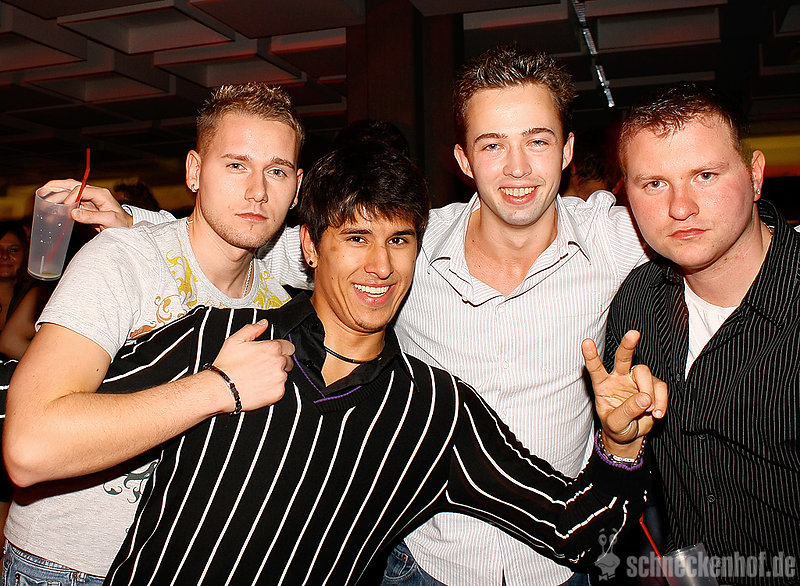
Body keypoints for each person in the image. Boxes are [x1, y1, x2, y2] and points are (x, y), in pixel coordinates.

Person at [91, 45, 651, 585]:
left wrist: (620, 444)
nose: (380, 265)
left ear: (567, 149)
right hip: (424, 567)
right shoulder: (224, 337)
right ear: (463, 160)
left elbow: (688, 219)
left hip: (546, 571)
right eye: (493, 144)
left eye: (537, 140)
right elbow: (257, 237)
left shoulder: (435, 407)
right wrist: (140, 228)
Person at [2, 82, 304, 583]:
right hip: (72, 568)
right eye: (236, 165)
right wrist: (219, 387)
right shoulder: (122, 259)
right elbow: (29, 448)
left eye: (277, 171)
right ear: (194, 172)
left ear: (297, 185)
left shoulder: (278, 297)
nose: (258, 191)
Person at [606, 82, 799, 584]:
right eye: (654, 184)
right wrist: (617, 444)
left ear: (754, 175)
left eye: (705, 175)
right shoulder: (637, 303)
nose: (680, 207)